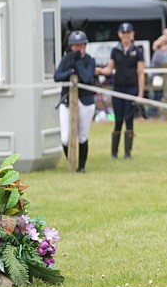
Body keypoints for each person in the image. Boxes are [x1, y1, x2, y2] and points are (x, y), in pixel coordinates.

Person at [96, 21, 145, 159]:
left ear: (132, 34)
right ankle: (114, 152)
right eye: (123, 33)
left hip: (131, 88)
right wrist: (98, 71)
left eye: (128, 33)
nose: (126, 35)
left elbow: (141, 73)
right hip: (118, 89)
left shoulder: (138, 51)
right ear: (119, 34)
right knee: (118, 119)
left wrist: (140, 94)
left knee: (129, 120)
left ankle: (128, 153)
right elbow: (109, 69)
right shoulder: (115, 50)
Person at [54, 30, 98, 173]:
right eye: (75, 45)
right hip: (67, 101)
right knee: (65, 137)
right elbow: (57, 76)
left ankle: (82, 166)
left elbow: (87, 78)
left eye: (80, 45)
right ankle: (71, 161)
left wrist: (78, 64)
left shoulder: (90, 60)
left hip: (85, 101)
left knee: (82, 136)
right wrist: (70, 72)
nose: (78, 48)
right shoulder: (66, 59)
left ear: (85, 45)